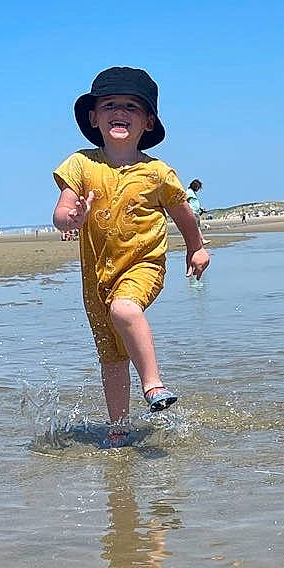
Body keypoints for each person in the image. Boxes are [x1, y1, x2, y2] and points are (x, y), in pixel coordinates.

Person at [53, 66, 209, 443]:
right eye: (109, 105)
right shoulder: (80, 164)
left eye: (130, 106)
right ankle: (119, 428)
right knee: (111, 359)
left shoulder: (157, 173)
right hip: (96, 279)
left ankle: (153, 384)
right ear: (94, 117)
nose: (119, 111)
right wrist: (72, 218)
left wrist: (197, 247)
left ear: (148, 121)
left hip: (143, 265)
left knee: (125, 309)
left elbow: (183, 214)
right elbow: (61, 213)